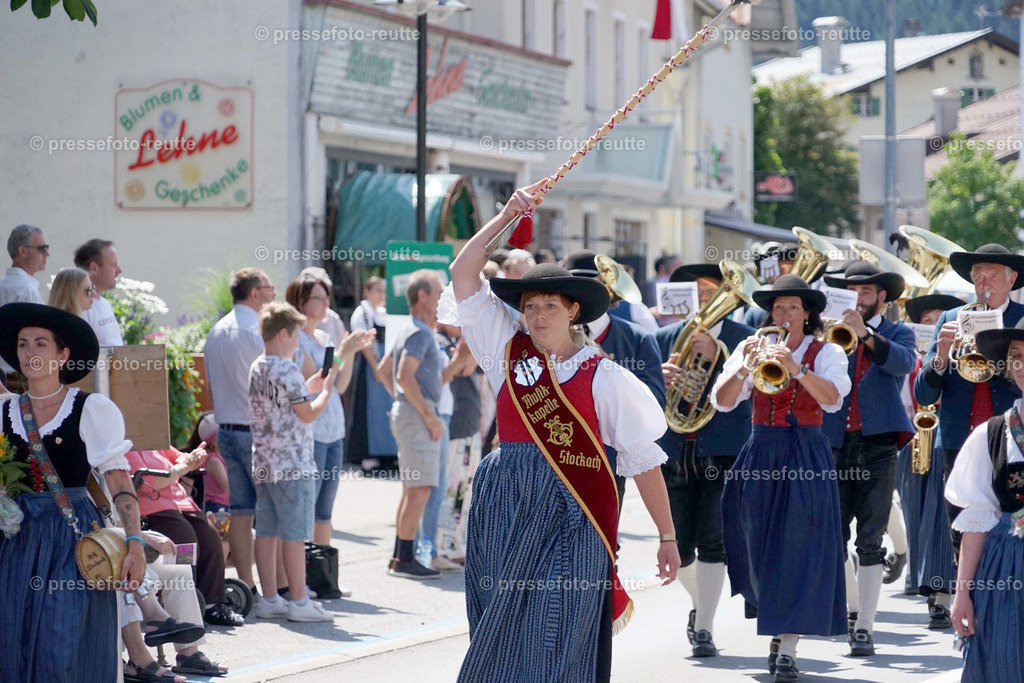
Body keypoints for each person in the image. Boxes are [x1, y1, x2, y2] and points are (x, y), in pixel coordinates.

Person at [444, 182, 680, 682]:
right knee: (499, 630)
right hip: (504, 503)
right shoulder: (505, 350)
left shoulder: (607, 379)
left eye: (549, 305)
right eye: (529, 306)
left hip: (572, 518)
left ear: (574, 310)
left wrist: (666, 535)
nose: (537, 315)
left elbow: (643, 461)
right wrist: (508, 213)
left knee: (553, 636)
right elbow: (463, 272)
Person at [711, 274, 851, 681]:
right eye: (777, 308)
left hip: (805, 450)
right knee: (754, 542)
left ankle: (788, 643)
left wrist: (798, 368)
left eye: (792, 307)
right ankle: (774, 616)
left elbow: (832, 400)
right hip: (760, 449)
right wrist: (744, 368)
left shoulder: (827, 352)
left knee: (796, 545)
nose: (783, 314)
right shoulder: (749, 346)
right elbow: (721, 403)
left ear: (807, 314)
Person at [0, 302, 145, 681]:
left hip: (72, 541)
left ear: (63, 355)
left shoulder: (89, 407)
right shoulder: (3, 412)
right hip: (17, 541)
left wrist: (135, 543)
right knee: (12, 640)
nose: (30, 352)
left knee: (61, 642)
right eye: (23, 344)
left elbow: (117, 480)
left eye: (41, 344)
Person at [914, 243, 1024, 621]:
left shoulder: (1023, 319)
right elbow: (924, 393)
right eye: (978, 275)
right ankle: (971, 600)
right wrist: (943, 355)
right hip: (960, 439)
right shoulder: (951, 316)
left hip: (1010, 436)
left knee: (1011, 520)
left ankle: (1004, 598)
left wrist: (998, 354)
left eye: (993, 275)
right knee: (963, 525)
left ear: (1011, 280)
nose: (984, 282)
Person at [655, 261, 754, 657]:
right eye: (696, 293)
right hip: (676, 452)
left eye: (711, 292)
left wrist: (720, 353)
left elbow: (749, 391)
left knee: (715, 543)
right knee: (677, 548)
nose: (703, 299)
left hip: (723, 450)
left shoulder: (744, 338)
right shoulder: (663, 337)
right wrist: (655, 379)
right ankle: (703, 603)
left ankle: (705, 628)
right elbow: (642, 395)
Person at [820, 262, 916, 655]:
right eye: (851, 291)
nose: (857, 299)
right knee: (834, 537)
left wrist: (866, 336)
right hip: (834, 444)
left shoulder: (897, 331)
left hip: (877, 445)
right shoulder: (826, 333)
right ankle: (853, 609)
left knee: (871, 539)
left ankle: (866, 626)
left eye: (865, 292)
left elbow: (904, 364)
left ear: (882, 297)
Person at [248, 302, 341, 622]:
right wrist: (327, 390)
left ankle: (269, 598)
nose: (299, 342)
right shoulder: (286, 368)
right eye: (296, 335)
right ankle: (300, 602)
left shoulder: (259, 365)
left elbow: (288, 400)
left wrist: (312, 385)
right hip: (292, 463)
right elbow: (308, 412)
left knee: (267, 531)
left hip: (264, 461)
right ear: (283, 334)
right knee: (295, 533)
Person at [946, 317, 1024, 680]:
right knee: (1003, 663)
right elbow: (977, 521)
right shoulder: (991, 435)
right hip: (1005, 568)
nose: (1022, 366)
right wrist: (962, 595)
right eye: (1017, 356)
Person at [563, 250, 665, 506]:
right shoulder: (547, 335)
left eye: (590, 290)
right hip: (556, 454)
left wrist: (607, 369)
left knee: (605, 543)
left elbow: (655, 403)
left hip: (608, 459)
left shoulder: (639, 339)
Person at [286, 273, 374, 545]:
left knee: (325, 510)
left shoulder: (325, 336)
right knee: (308, 507)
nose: (327, 304)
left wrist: (351, 352)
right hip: (312, 432)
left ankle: (323, 576)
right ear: (301, 302)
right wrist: (344, 352)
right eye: (319, 298)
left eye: (327, 298)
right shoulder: (295, 340)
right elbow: (317, 379)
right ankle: (303, 578)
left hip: (333, 430)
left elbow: (340, 384)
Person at [203, 268, 276, 596]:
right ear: (256, 293)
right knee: (269, 513)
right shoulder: (256, 330)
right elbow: (270, 386)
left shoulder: (216, 330)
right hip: (255, 430)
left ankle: (247, 585)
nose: (273, 295)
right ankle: (275, 589)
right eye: (270, 289)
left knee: (242, 512)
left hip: (226, 431)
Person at [897, 294, 964, 625]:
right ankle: (920, 578)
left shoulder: (965, 344)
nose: (931, 323)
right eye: (927, 319)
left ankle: (940, 593)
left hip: (946, 435)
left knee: (940, 515)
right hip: (917, 435)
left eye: (937, 318)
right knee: (916, 512)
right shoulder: (912, 351)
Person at [379, 270, 449, 579]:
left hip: (410, 413)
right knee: (419, 489)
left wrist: (402, 403)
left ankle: (400, 556)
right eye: (438, 292)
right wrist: (426, 414)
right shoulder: (420, 332)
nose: (442, 299)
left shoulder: (411, 329)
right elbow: (402, 375)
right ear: (423, 296)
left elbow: (385, 371)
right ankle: (405, 560)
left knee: (412, 489)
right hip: (418, 415)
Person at [126, 446, 245, 627]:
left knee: (210, 537)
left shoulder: (154, 440)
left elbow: (182, 457)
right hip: (152, 507)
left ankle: (212, 604)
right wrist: (180, 468)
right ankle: (183, 604)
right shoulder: (130, 447)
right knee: (185, 540)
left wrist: (191, 459)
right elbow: (150, 482)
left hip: (180, 503)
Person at [347, 276, 397, 470]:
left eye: (383, 291)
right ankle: (368, 455)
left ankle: (387, 454)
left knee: (386, 409)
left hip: (385, 367)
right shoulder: (362, 313)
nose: (381, 294)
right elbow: (364, 341)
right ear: (366, 292)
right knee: (368, 409)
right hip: (370, 367)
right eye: (377, 290)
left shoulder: (384, 313)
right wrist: (376, 366)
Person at [1, 225, 48, 379]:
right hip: (20, 377)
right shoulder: (26, 289)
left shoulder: (4, 284)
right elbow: (38, 338)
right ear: (23, 251)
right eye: (42, 248)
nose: (47, 253)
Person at [73, 238, 125, 347]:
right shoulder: (78, 309)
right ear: (94, 268)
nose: (119, 271)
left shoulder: (104, 303)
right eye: (113, 265)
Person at [300, 266, 347, 346]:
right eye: (319, 297)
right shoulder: (292, 325)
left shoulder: (332, 317)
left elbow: (342, 349)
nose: (326, 303)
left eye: (326, 295)